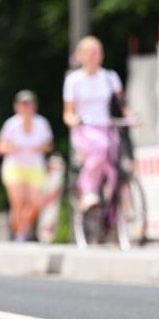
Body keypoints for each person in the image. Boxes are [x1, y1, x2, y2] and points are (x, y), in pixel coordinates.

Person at [63, 36, 124, 212]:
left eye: (97, 52)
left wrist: (132, 118)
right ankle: (87, 190)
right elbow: (68, 113)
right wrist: (74, 121)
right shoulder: (74, 80)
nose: (94, 56)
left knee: (117, 164)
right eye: (90, 52)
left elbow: (122, 106)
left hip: (108, 126)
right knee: (100, 148)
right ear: (81, 55)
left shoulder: (110, 77)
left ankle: (113, 212)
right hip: (85, 128)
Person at [0, 90, 53, 242]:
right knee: (18, 203)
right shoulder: (11, 124)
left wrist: (40, 148)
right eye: (23, 104)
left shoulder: (42, 123)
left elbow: (48, 145)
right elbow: (0, 146)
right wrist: (11, 148)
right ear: (17, 106)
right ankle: (19, 234)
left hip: (35, 166)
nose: (26, 107)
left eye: (28, 104)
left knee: (36, 203)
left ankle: (25, 226)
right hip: (15, 166)